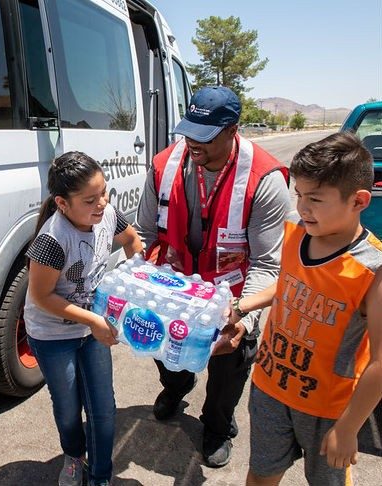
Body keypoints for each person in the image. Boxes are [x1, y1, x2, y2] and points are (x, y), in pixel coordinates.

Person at [134, 86, 291, 467]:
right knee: (164, 351)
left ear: (232, 130)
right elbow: (145, 233)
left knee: (229, 368)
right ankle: (177, 386)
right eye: (188, 131)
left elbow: (269, 265)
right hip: (175, 288)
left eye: (203, 135)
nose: (191, 142)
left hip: (231, 297)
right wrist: (138, 283)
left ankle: (217, 426)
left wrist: (245, 315)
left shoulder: (264, 180)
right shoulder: (163, 165)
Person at [227, 132, 382, 485]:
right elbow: (290, 285)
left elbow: (380, 361)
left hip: (327, 410)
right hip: (269, 388)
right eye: (298, 195)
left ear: (358, 200)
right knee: (262, 474)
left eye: (315, 199)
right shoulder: (298, 233)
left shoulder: (371, 269)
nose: (302, 208)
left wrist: (349, 427)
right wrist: (243, 305)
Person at [24, 152, 143, 486]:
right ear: (62, 203)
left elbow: (133, 241)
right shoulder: (51, 239)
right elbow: (42, 297)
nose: (102, 203)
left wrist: (135, 283)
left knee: (103, 407)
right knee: (67, 407)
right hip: (51, 335)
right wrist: (92, 321)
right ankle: (74, 456)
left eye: (104, 192)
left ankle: (100, 477)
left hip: (92, 326)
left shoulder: (106, 215)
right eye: (90, 199)